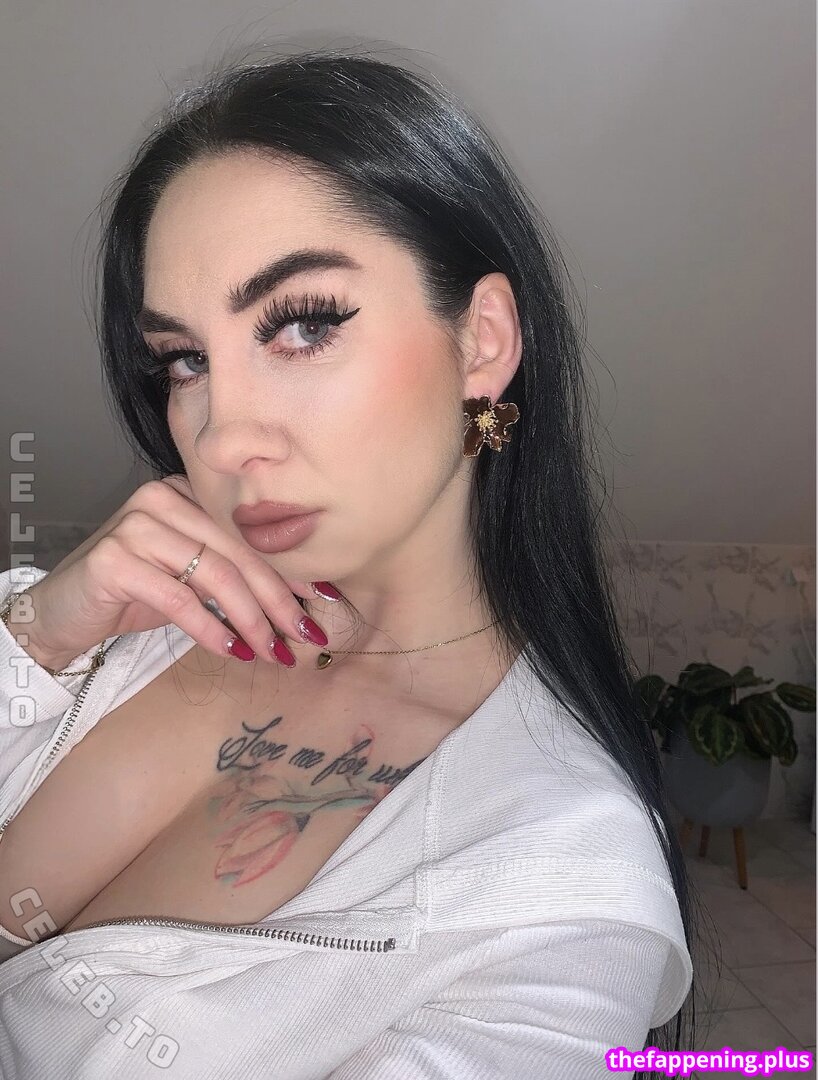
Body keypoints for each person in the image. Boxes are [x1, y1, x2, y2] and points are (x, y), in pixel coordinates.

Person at [0, 48, 700, 1079]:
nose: (223, 435)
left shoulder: (560, 881)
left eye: (301, 325)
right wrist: (40, 634)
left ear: (482, 341)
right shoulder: (127, 621)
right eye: (185, 360)